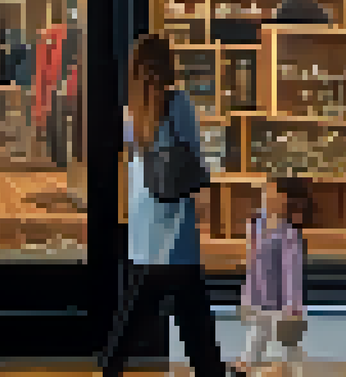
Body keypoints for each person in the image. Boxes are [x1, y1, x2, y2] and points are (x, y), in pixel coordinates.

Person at [99, 33, 243, 377]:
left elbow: (130, 158)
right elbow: (194, 152)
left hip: (143, 220)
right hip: (175, 220)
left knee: (168, 301)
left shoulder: (132, 111)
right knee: (180, 302)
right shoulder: (176, 101)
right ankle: (114, 367)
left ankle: (207, 369)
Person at [234, 176, 312, 377]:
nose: (269, 198)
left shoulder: (289, 233)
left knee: (283, 347)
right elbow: (252, 265)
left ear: (284, 200)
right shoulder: (255, 226)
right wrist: (247, 297)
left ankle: (282, 369)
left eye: (274, 194)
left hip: (280, 302)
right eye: (266, 193)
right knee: (258, 337)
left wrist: (292, 305)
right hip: (260, 298)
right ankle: (247, 365)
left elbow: (291, 270)